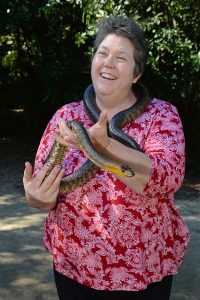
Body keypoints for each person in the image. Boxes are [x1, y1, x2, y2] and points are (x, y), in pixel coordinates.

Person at [23, 16, 190, 300]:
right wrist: (36, 196)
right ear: (93, 61)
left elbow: (168, 179)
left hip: (143, 270)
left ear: (137, 74)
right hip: (75, 266)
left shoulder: (161, 115)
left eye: (121, 57)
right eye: (103, 53)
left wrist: (107, 144)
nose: (109, 63)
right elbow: (44, 191)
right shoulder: (66, 117)